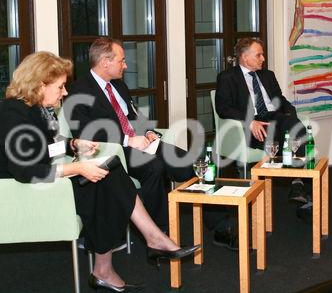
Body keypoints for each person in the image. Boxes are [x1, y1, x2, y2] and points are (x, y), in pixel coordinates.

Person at [0, 51, 199, 292]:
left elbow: (46, 146)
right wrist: (77, 167)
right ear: (40, 84)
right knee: (106, 183)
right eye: (61, 87)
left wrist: (72, 145)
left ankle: (135, 250)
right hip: (22, 191)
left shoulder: (40, 108)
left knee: (110, 169)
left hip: (43, 180)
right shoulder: (12, 113)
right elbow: (25, 170)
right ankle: (142, 246)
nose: (65, 93)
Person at [65, 38, 237, 250]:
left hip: (141, 143)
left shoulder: (118, 85)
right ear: (105, 62)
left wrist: (147, 132)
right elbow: (86, 134)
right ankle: (160, 233)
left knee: (190, 163)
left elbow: (132, 115)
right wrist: (128, 140)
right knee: (154, 168)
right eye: (122, 61)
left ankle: (220, 227)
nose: (126, 66)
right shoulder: (79, 91)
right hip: (114, 152)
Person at [215, 37, 310, 209]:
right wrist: (250, 121)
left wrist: (290, 113)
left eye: (263, 55)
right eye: (259, 55)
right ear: (244, 57)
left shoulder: (268, 75)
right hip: (251, 126)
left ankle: (297, 183)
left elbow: (280, 100)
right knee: (295, 136)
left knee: (294, 127)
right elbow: (223, 108)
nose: (263, 59)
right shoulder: (227, 77)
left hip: (275, 119)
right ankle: (298, 183)